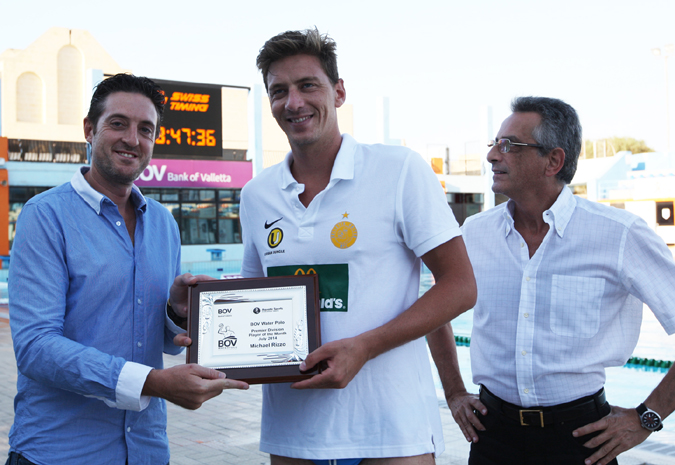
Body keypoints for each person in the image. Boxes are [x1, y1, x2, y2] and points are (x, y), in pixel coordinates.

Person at [239, 28, 476, 465]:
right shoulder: (257, 195)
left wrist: (364, 347)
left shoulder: (398, 170)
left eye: (308, 85)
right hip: (294, 433)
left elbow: (461, 286)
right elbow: (255, 300)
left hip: (391, 431)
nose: (293, 102)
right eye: (279, 91)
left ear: (339, 92)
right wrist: (206, 323)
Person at [7, 73, 248, 465]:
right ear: (89, 129)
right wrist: (152, 382)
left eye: (145, 129)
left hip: (146, 449)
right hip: (60, 453)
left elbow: (166, 342)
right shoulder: (45, 216)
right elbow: (35, 347)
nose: (132, 139)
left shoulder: (163, 224)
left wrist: (176, 312)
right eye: (118, 124)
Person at [428, 96, 675, 465]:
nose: (492, 156)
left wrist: (647, 417)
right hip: (492, 436)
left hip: (583, 441)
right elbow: (435, 310)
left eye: (508, 145)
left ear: (553, 161)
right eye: (494, 144)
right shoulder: (475, 234)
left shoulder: (619, 235)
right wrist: (453, 392)